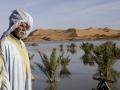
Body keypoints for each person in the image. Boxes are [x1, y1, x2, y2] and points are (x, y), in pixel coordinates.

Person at [0, 9, 33, 90]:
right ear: (14, 25)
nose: (24, 29)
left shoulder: (22, 43)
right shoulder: (4, 43)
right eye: (21, 25)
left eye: (26, 26)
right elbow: (2, 73)